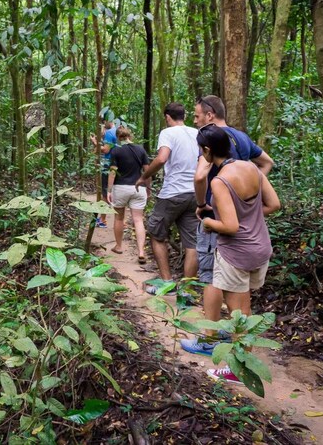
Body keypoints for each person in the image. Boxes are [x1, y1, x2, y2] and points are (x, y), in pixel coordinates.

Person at [186, 124, 281, 384]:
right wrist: (247, 217)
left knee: (238, 314)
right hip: (260, 247)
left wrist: (208, 222)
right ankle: (242, 364)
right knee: (245, 308)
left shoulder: (220, 181)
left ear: (207, 150)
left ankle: (238, 370)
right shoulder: (251, 167)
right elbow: (274, 204)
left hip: (236, 253)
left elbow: (229, 226)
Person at [136, 103, 199, 293]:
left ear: (167, 117)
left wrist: (145, 176)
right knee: (192, 243)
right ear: (185, 116)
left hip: (173, 192)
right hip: (195, 193)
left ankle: (167, 283)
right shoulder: (197, 133)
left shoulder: (168, 132)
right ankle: (187, 290)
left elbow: (162, 158)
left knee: (156, 234)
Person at [107, 126, 150, 261]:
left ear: (118, 138)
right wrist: (148, 188)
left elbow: (113, 172)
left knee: (119, 218)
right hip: (138, 188)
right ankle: (141, 251)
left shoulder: (116, 151)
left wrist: (109, 190)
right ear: (129, 136)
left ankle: (119, 246)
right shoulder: (140, 149)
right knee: (138, 220)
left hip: (121, 188)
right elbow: (147, 171)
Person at [90, 120, 118, 228]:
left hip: (108, 164)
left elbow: (105, 150)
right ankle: (120, 221)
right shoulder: (116, 131)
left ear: (107, 121)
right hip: (115, 165)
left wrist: (94, 142)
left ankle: (103, 220)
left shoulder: (110, 132)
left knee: (105, 192)